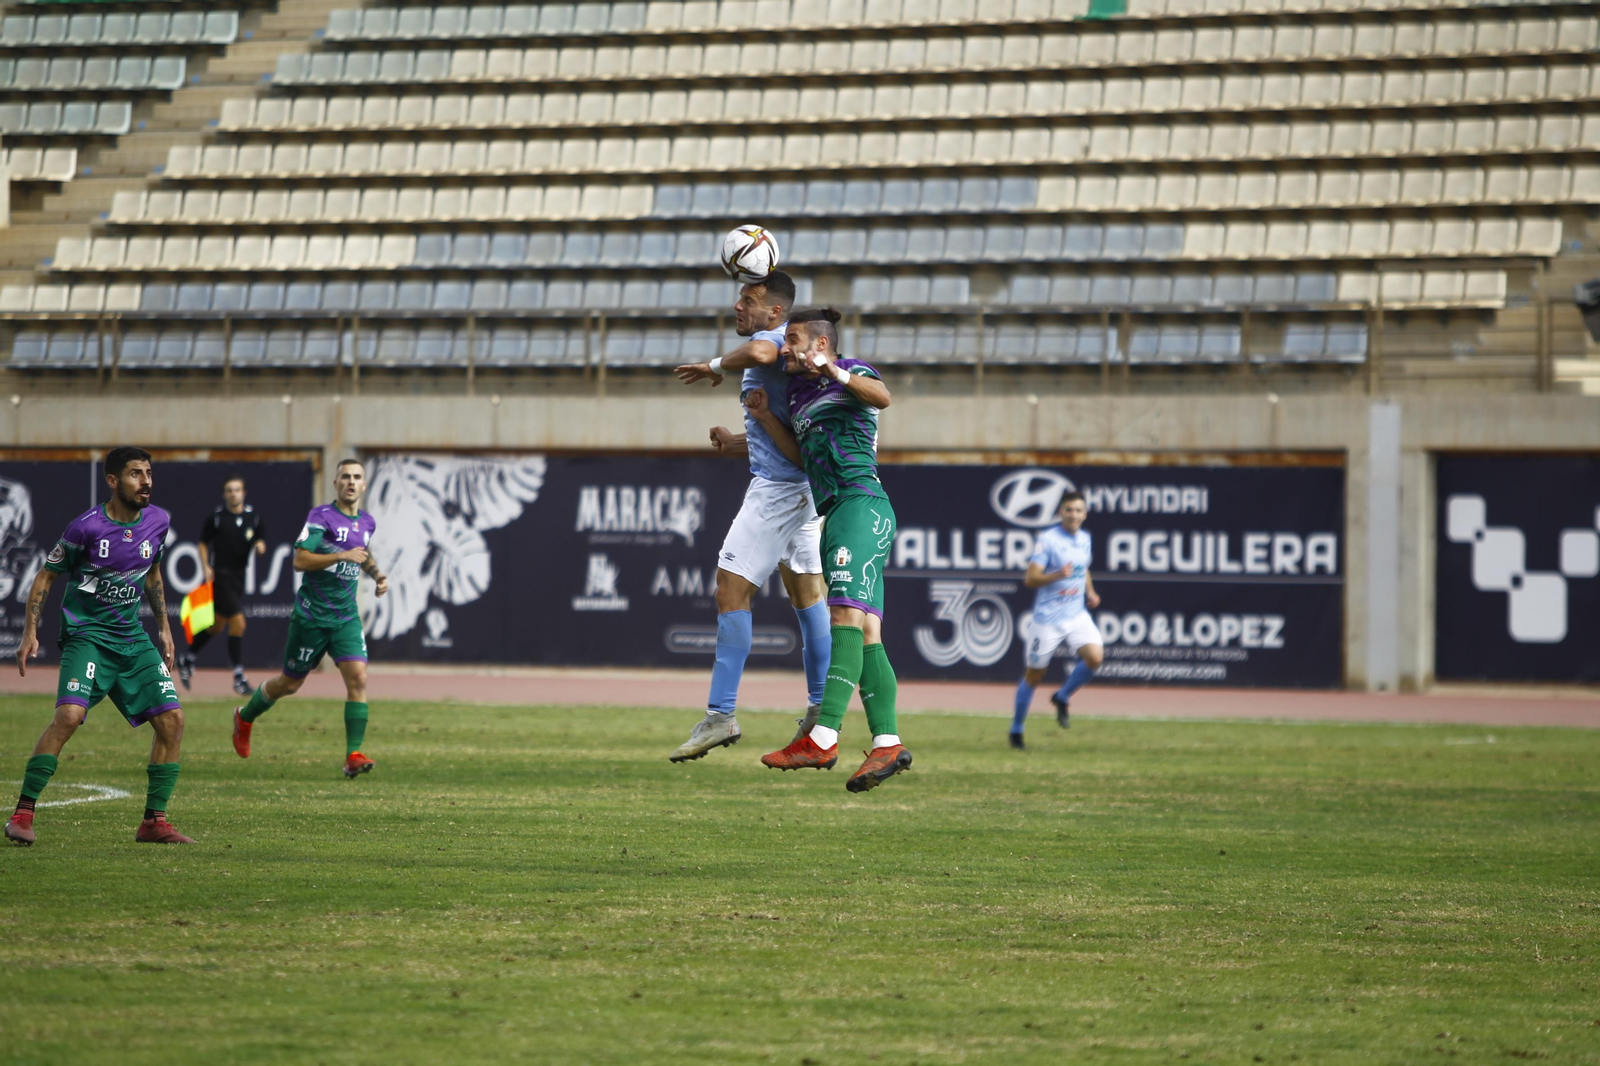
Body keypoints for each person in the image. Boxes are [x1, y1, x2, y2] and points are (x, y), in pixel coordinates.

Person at [744, 308, 911, 792]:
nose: (784, 348)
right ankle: (887, 743)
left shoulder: (853, 370)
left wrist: (833, 371)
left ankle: (822, 736)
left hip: (861, 505)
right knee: (867, 633)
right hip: (839, 512)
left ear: (820, 344)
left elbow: (882, 397)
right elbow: (801, 455)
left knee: (843, 621)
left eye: (792, 338)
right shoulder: (797, 393)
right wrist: (761, 421)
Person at [667, 270, 832, 763]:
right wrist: (739, 440)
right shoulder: (786, 348)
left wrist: (712, 364)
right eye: (739, 297)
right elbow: (786, 429)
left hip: (779, 492)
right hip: (801, 487)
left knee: (730, 587)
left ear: (776, 312)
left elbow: (761, 352)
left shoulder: (772, 341)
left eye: (750, 299)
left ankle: (721, 715)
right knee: (807, 595)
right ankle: (823, 707)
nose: (739, 306)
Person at [5, 447, 193, 846]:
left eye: (148, 473)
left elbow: (154, 573)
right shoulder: (85, 528)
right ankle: (22, 814)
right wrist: (29, 632)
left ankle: (154, 822)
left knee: (173, 721)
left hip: (132, 638)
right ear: (112, 481)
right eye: (135, 474)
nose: (146, 482)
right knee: (69, 717)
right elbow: (44, 578)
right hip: (88, 637)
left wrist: (164, 627)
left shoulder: (157, 522)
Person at [231, 459, 388, 778]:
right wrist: (341, 555)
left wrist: (377, 574)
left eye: (357, 477)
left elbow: (363, 552)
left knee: (358, 678)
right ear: (335, 483)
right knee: (290, 684)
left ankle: (353, 756)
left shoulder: (367, 523)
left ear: (364, 485)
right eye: (345, 476)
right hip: (312, 618)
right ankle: (245, 717)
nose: (351, 482)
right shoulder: (322, 517)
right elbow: (300, 559)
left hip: (345, 618)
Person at [1009, 491, 1104, 749]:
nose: (1073, 515)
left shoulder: (1085, 539)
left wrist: (1091, 591)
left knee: (1095, 657)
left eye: (1078, 510)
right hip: (1048, 619)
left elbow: (1082, 568)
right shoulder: (1048, 540)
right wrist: (1056, 575)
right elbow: (1030, 579)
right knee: (1034, 675)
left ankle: (1062, 697)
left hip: (1076, 614)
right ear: (1061, 512)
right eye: (1069, 510)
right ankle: (1016, 731)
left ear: (1085, 514)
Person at [178, 475, 266, 696]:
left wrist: (260, 544)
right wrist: (206, 565)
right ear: (224, 494)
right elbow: (202, 543)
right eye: (229, 490)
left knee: (217, 625)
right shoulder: (217, 518)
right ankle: (239, 677)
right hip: (221, 575)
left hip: (239, 577)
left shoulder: (253, 517)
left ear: (244, 493)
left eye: (237, 490)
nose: (233, 493)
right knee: (239, 623)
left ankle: (187, 658)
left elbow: (260, 538)